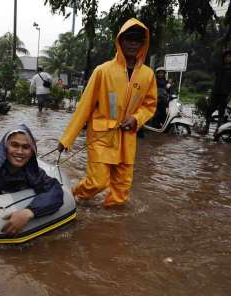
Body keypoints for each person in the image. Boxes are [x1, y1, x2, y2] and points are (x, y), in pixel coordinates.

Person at [57, 19, 157, 208]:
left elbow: (149, 106)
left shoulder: (147, 75)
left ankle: (109, 226)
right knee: (98, 182)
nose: (133, 44)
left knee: (121, 192)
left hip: (127, 139)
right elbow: (84, 107)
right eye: (129, 39)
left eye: (138, 40)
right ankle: (72, 193)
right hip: (101, 136)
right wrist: (67, 139)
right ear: (120, 40)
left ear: (143, 44)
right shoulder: (102, 71)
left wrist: (136, 118)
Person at [202, 49, 231, 134]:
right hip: (215, 93)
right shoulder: (220, 67)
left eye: (230, 57)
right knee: (209, 110)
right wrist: (211, 92)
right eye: (226, 56)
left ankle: (218, 131)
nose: (228, 58)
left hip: (225, 94)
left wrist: (230, 95)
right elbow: (215, 80)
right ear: (224, 57)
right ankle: (206, 128)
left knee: (221, 113)